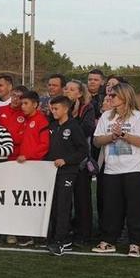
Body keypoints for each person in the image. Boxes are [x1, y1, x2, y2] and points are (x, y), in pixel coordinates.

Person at [92, 83, 140, 254]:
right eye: (109, 96)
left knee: (135, 208)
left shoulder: (137, 117)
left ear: (125, 97)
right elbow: (96, 141)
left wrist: (123, 134)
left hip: (133, 169)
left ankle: (136, 243)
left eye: (113, 96)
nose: (109, 98)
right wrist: (112, 136)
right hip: (111, 169)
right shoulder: (106, 117)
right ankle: (109, 240)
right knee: (111, 208)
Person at [43, 94, 89, 256]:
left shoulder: (74, 127)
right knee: (54, 204)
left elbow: (83, 150)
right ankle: (54, 236)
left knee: (63, 205)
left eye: (56, 108)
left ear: (66, 109)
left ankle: (60, 241)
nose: (53, 111)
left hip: (68, 172)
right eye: (51, 108)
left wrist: (66, 160)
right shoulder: (53, 126)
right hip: (52, 172)